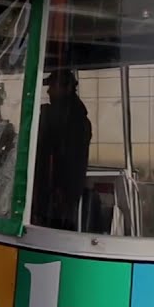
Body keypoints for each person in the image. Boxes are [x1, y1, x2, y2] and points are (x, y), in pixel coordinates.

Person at [31, 68, 91, 231]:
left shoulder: (65, 118)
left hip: (55, 190)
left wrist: (57, 189)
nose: (49, 91)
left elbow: (65, 157)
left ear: (66, 88)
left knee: (50, 228)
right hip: (62, 190)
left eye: (53, 86)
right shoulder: (77, 117)